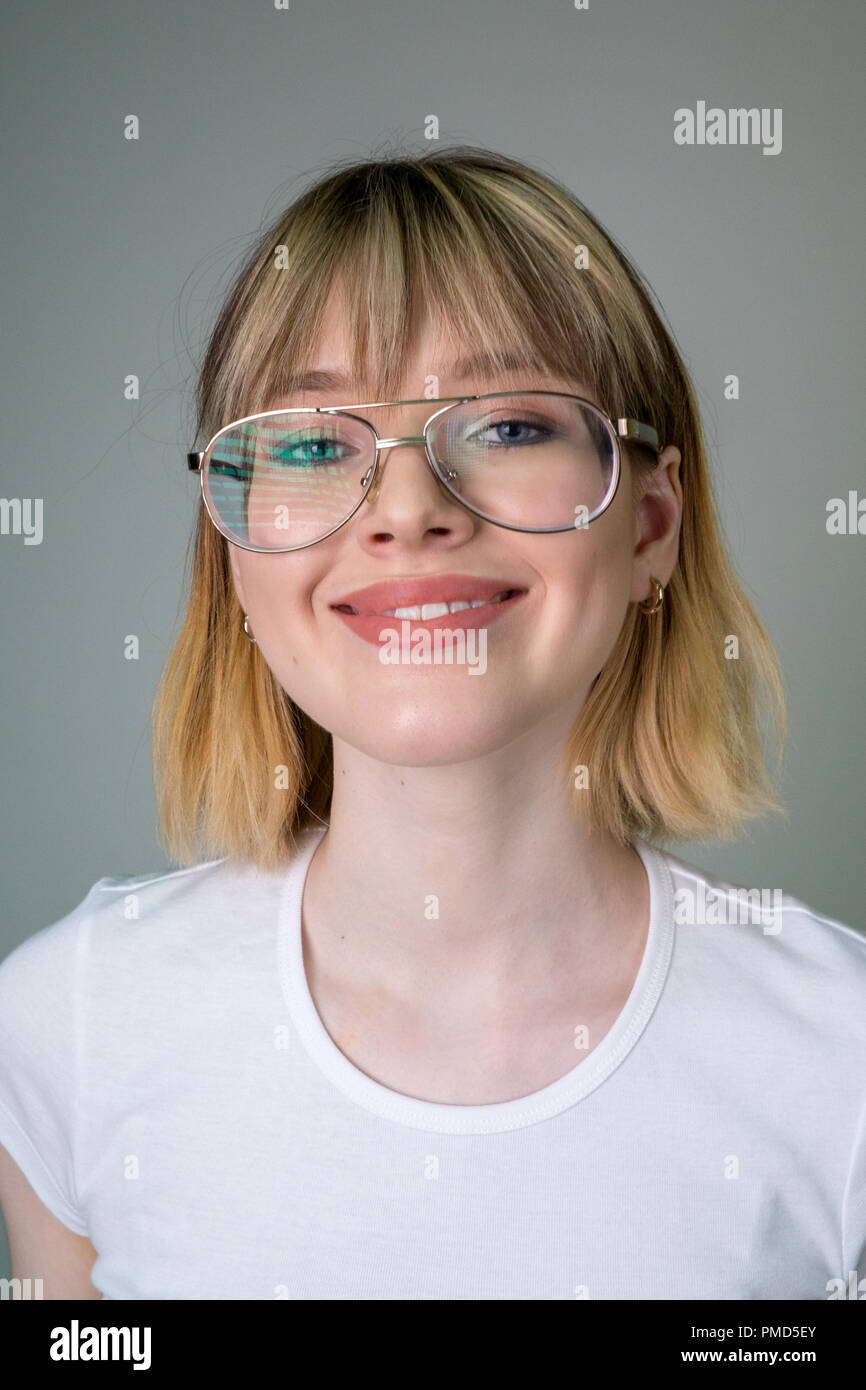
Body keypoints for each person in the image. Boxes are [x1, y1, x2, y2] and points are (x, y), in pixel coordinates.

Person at [1, 146, 864, 1301]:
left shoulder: (840, 1059)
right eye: (312, 441)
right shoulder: (67, 1022)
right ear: (232, 554)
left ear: (649, 525)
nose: (407, 511)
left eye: (505, 427)